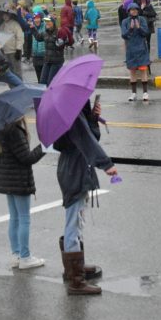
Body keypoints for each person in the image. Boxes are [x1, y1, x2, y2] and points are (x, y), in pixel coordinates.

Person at [53, 100, 117, 295]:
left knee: (77, 220)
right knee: (73, 222)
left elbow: (91, 137)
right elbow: (86, 141)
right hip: (74, 171)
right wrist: (106, 164)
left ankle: (75, 270)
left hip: (76, 170)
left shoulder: (74, 114)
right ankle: (76, 281)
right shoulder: (71, 114)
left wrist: (93, 118)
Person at [0, 117, 46, 269]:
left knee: (14, 218)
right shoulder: (15, 132)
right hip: (19, 182)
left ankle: (16, 254)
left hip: (9, 182)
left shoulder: (1, 131)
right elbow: (27, 158)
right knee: (24, 218)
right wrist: (45, 145)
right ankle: (25, 257)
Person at [121, 3, 151, 101]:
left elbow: (146, 33)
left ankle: (145, 93)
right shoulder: (125, 21)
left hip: (141, 48)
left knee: (143, 71)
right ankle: (133, 93)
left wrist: (139, 28)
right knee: (132, 71)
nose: (134, 11)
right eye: (132, 10)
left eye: (136, 9)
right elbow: (124, 35)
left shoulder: (142, 19)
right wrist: (130, 28)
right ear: (129, 11)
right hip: (131, 49)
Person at [41, 20, 70, 85]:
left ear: (53, 23)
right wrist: (33, 28)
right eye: (46, 22)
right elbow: (38, 37)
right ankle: (45, 95)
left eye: (49, 22)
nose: (47, 23)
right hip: (47, 60)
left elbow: (61, 44)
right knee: (42, 82)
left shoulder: (59, 32)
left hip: (56, 61)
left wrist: (61, 41)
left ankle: (52, 94)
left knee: (50, 83)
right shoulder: (46, 32)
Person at [0, 10, 24, 79]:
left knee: (17, 71)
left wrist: (18, 49)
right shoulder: (2, 26)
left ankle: (20, 87)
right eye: (4, 15)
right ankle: (12, 88)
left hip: (14, 51)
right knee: (9, 72)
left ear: (10, 15)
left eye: (7, 15)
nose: (5, 16)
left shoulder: (15, 24)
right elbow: (0, 38)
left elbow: (20, 37)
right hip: (5, 52)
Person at [30, 13, 47, 81]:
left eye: (38, 18)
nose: (36, 20)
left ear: (41, 19)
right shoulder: (32, 28)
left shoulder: (45, 26)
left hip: (44, 55)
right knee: (39, 77)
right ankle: (41, 90)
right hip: (35, 55)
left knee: (45, 77)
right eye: (35, 18)